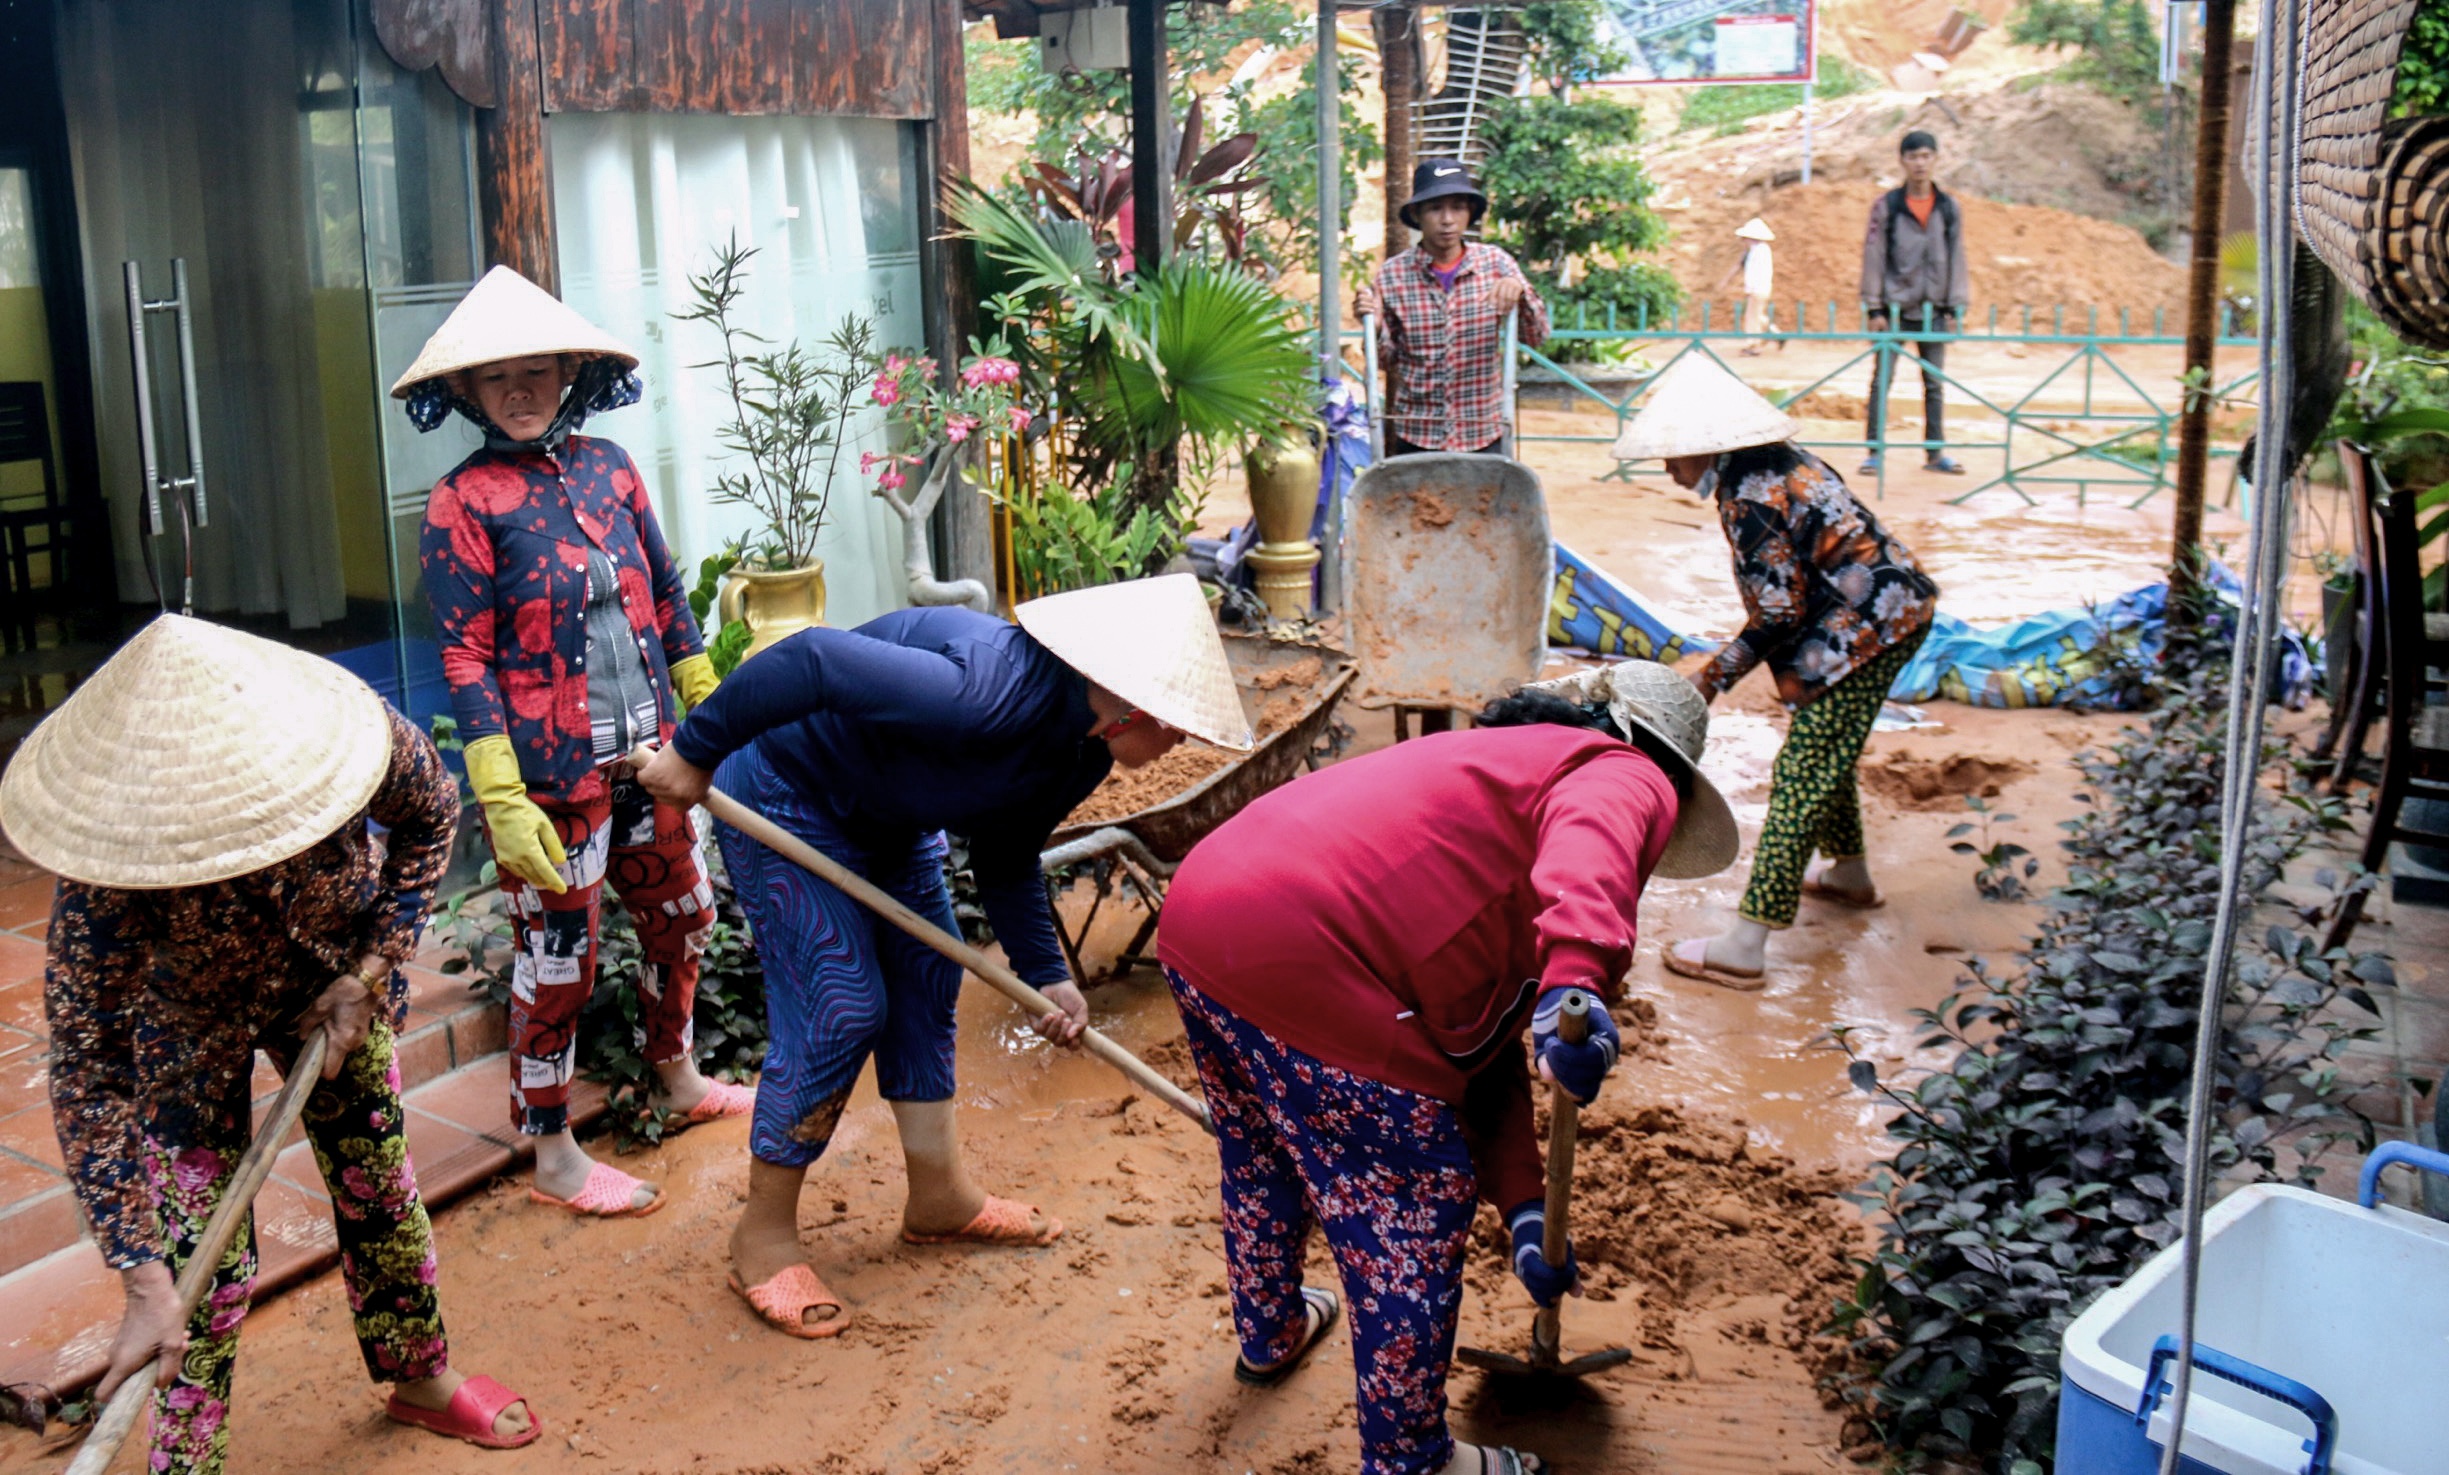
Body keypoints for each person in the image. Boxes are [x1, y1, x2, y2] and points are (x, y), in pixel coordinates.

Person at [1154, 663, 1738, 1475]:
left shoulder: (1496, 788)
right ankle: (1411, 1458)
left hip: (1204, 914)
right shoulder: (1621, 769)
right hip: (1311, 945)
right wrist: (1578, 976)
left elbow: (1474, 1051)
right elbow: (1595, 849)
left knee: (1259, 1148)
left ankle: (1271, 1328)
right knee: (1412, 1196)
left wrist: (1527, 1205)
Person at [631, 575, 1252, 1338]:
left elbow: (1006, 848)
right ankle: (761, 1237)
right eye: (1180, 723)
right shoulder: (984, 688)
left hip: (890, 815)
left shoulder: (1082, 748)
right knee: (840, 1007)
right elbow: (815, 658)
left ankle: (939, 1198)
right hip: (787, 790)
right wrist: (694, 752)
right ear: (1133, 702)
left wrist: (1046, 974)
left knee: (928, 983)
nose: (1182, 741)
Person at [3, 616, 539, 1470]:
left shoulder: (352, 736)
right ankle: (187, 1460)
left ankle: (419, 1372)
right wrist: (138, 1272)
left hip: (334, 985)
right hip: (187, 1025)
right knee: (195, 1271)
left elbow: (432, 814)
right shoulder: (107, 868)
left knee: (379, 1186)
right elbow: (86, 1062)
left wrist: (370, 966)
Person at [401, 265, 746, 1219]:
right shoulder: (463, 502)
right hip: (553, 780)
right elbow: (464, 655)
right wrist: (500, 796)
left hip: (655, 759)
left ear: (570, 374)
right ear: (464, 393)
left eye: (538, 370)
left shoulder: (611, 468)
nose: (520, 392)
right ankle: (551, 1150)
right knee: (560, 963)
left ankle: (676, 1075)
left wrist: (706, 707)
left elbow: (669, 597)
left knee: (682, 919)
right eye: (496, 377)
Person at [1611, 356, 1940, 988]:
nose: (1668, 467)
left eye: (1674, 455)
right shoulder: (1776, 461)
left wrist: (1713, 677)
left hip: (1869, 627)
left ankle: (1747, 942)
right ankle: (1849, 875)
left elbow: (1779, 612)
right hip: (1877, 609)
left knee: (1802, 769)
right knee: (1823, 747)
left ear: (1708, 448)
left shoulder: (1749, 496)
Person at [1355, 158, 1552, 455]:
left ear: (1469, 213)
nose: (1447, 219)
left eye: (1457, 207)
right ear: (1416, 214)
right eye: (1435, 208)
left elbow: (1536, 337)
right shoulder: (1392, 275)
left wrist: (1521, 294)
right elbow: (1385, 361)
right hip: (1417, 435)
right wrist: (1376, 326)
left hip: (1482, 432)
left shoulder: (1496, 264)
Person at [1859, 130, 1970, 475]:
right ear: (1902, 161)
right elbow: (1873, 254)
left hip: (1933, 309)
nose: (1919, 163)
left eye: (1926, 156)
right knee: (1882, 380)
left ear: (1935, 159)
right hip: (1893, 308)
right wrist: (1874, 307)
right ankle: (1874, 452)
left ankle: (1935, 454)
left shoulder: (1948, 207)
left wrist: (1954, 307)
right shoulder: (1887, 206)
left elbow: (1957, 256)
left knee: (1934, 383)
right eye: (1913, 157)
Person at [1715, 217, 1781, 356]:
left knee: (1753, 318)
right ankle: (1776, 334)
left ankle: (1753, 345)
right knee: (1758, 315)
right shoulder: (1753, 251)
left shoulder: (1760, 251)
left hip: (1758, 288)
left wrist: (1750, 288)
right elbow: (1739, 265)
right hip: (1759, 288)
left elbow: (1757, 272)